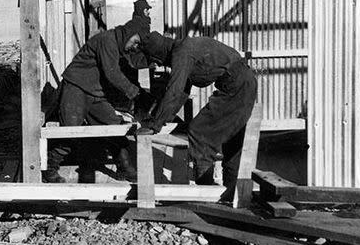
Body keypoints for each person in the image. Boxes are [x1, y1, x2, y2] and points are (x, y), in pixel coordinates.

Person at [132, 32, 257, 188]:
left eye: (156, 62)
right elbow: (183, 91)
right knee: (231, 138)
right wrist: (164, 118)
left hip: (236, 84)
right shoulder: (184, 48)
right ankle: (232, 191)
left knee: (199, 131)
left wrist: (155, 125)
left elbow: (174, 90)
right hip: (243, 81)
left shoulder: (181, 53)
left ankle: (206, 188)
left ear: (158, 57)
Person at [44, 17, 152, 184]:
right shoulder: (107, 40)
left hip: (95, 92)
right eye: (135, 41)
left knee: (114, 126)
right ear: (128, 34)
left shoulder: (118, 45)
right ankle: (49, 169)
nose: (135, 46)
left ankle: (125, 169)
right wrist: (136, 93)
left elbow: (130, 65)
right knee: (70, 131)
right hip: (76, 88)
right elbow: (113, 74)